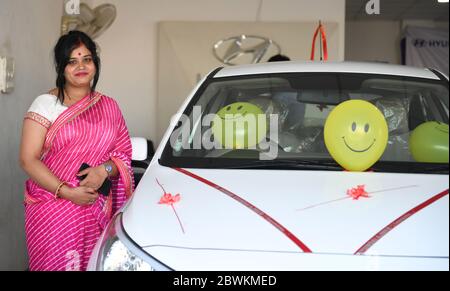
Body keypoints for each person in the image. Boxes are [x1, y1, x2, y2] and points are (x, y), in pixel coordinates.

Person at [19, 30, 134, 271]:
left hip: (95, 207)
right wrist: (67, 192)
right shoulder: (46, 104)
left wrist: (105, 170)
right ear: (61, 67)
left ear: (95, 63)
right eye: (72, 61)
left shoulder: (109, 106)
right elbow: (28, 160)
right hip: (52, 208)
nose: (80, 66)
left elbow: (123, 152)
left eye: (87, 59)